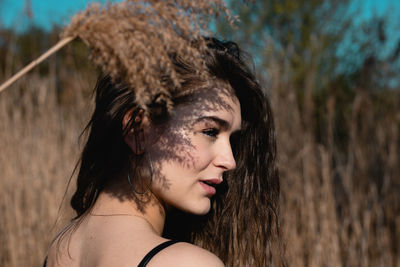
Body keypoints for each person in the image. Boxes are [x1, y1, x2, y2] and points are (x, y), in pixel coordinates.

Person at [44, 37, 281, 267]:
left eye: (233, 140)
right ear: (138, 129)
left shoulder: (60, 247)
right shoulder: (189, 264)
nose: (230, 161)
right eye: (210, 131)